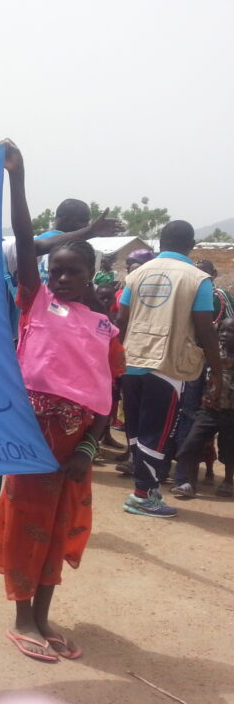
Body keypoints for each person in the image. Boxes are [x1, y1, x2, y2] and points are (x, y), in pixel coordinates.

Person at [0, 140, 125, 663]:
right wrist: (17, 178)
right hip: (31, 439)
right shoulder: (36, 304)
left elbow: (106, 395)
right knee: (27, 526)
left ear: (90, 274)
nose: (62, 277)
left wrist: (90, 449)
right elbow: (26, 240)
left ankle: (44, 616)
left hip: (75, 449)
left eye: (73, 271)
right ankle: (23, 618)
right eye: (57, 271)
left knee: (58, 529)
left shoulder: (104, 328)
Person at [117, 220, 223, 517]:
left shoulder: (136, 275)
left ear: (160, 244)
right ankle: (142, 496)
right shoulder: (197, 278)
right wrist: (216, 370)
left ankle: (145, 488)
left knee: (137, 430)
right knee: (158, 432)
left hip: (132, 360)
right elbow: (205, 329)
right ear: (191, 246)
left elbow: (121, 321)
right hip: (167, 365)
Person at [172, 318, 234, 499]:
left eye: (230, 332)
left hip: (231, 413)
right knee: (192, 445)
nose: (224, 335)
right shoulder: (213, 354)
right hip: (208, 410)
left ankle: (228, 481)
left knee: (229, 449)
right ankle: (189, 484)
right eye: (221, 331)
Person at [194, 259, 234, 325]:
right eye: (195, 273)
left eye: (203, 273)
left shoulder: (221, 295)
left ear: (214, 274)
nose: (199, 277)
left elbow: (231, 320)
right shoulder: (190, 294)